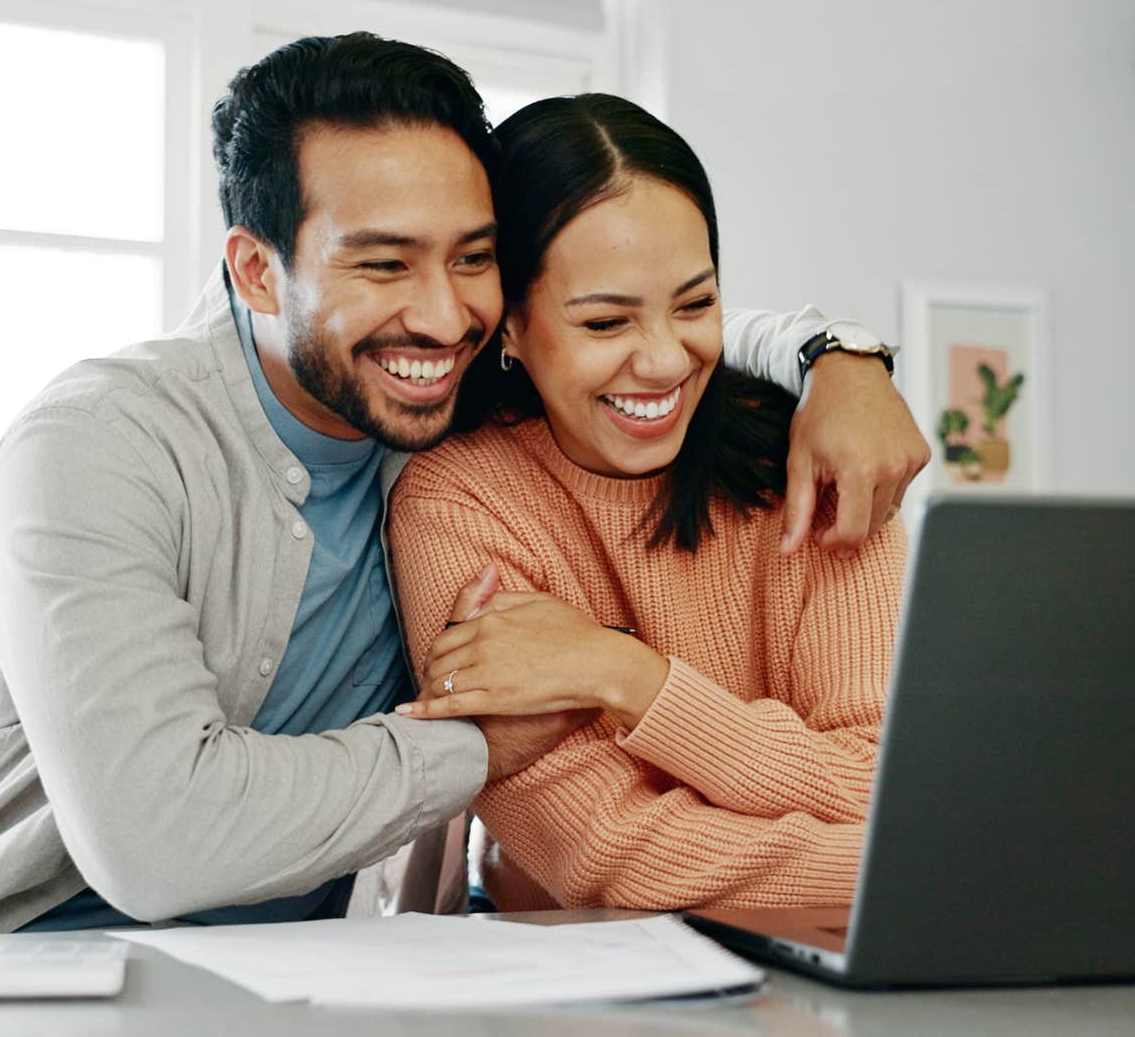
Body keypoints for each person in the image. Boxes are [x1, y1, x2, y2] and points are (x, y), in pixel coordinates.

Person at [0, 34, 927, 938]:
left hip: (292, 983)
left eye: (471, 258)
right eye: (382, 263)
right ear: (257, 268)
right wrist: (471, 751)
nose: (442, 314)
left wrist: (841, 358)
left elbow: (623, 323)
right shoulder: (100, 444)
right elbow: (153, 846)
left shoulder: (447, 393)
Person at [388, 93, 906, 911]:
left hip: (853, 968)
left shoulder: (814, 466)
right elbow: (603, 852)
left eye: (696, 305)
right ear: (509, 327)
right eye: (605, 323)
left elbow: (889, 783)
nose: (666, 360)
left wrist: (623, 673)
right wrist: (920, 880)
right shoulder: (457, 503)